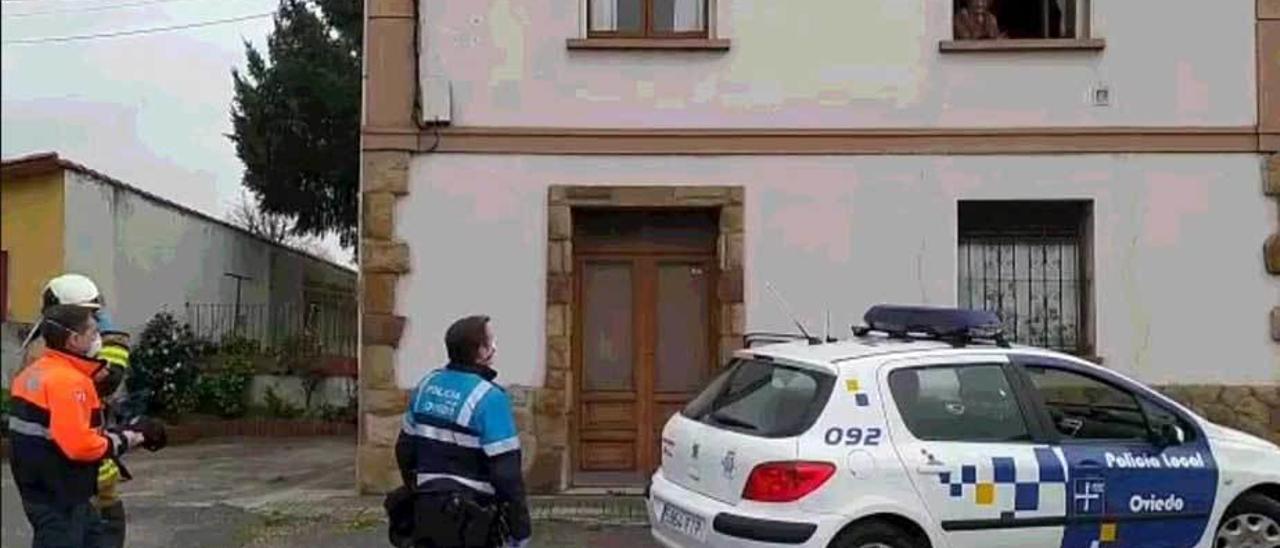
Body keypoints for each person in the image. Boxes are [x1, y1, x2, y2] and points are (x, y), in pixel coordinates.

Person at [8, 304, 162, 548]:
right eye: (92, 332)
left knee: (93, 535)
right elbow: (80, 446)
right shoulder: (70, 382)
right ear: (74, 339)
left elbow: (56, 431)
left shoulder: (33, 372)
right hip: (62, 494)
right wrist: (129, 437)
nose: (97, 338)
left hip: (39, 489)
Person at [389, 315, 531, 548]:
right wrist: (520, 528)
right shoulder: (490, 397)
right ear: (480, 352)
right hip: (473, 519)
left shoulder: (427, 385)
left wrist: (417, 490)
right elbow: (507, 474)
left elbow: (404, 449)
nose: (494, 347)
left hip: (427, 512)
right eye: (490, 341)